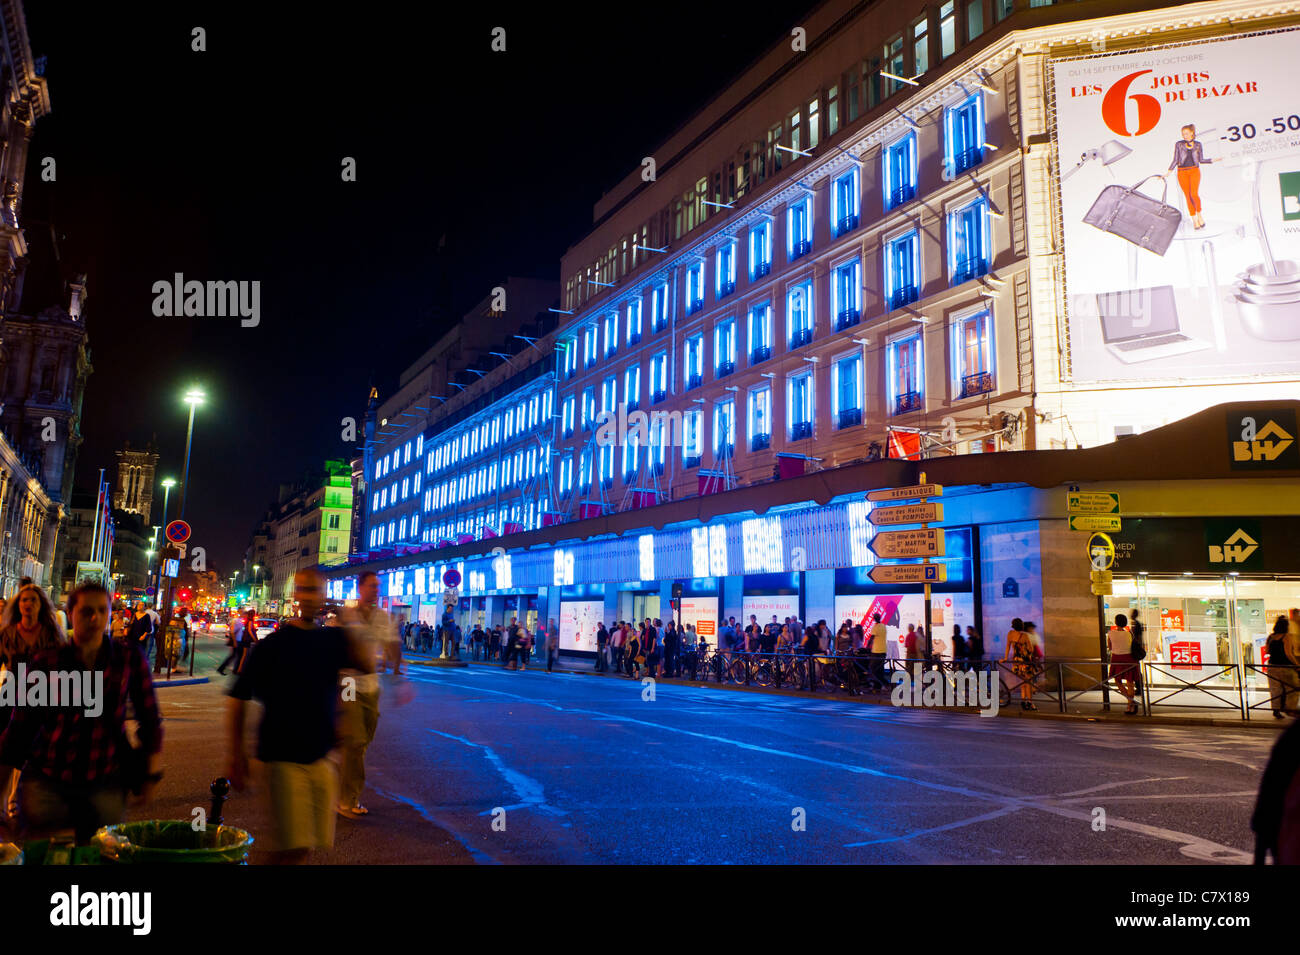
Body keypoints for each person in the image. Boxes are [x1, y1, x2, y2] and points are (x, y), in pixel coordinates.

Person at [227, 569, 374, 863]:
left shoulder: (334, 639)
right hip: (280, 758)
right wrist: (236, 756)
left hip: (321, 758)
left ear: (322, 597)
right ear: (295, 595)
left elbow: (366, 664)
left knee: (305, 846)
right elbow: (238, 698)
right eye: (304, 590)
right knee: (292, 848)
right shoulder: (272, 645)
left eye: (315, 591)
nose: (308, 597)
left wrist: (353, 620)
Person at [0, 582, 162, 845]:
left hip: (105, 780)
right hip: (47, 781)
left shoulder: (128, 659)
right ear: (71, 612)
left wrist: (151, 774)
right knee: (42, 854)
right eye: (87, 611)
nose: (95, 618)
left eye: (102, 610)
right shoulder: (47, 662)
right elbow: (20, 728)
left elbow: (150, 718)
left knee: (99, 855)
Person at [337, 570, 404, 818]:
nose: (376, 590)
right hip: (349, 684)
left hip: (371, 685)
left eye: (378, 586)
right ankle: (348, 798)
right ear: (360, 588)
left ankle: (343, 772)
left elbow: (392, 644)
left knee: (363, 741)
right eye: (372, 586)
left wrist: (399, 674)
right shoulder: (347, 616)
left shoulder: (382, 618)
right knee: (355, 741)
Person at [0, 584, 67, 820]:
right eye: (24, 600)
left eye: (33, 600)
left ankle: (14, 798)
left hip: (40, 697)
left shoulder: (51, 632)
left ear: (41, 605)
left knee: (28, 750)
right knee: (7, 750)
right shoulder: (7, 633)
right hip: (9, 695)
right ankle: (7, 798)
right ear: (18, 605)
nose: (28, 604)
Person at [1164, 123, 1215, 230]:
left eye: (1186, 133)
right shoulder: (1179, 144)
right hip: (1182, 172)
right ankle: (1194, 219)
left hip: (1194, 171)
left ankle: (1199, 215)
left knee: (1194, 194)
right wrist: (1168, 172)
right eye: (1183, 134)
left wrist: (1212, 160)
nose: (1184, 136)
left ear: (1192, 133)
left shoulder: (1198, 145)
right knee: (1188, 196)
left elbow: (1201, 160)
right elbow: (1176, 159)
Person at [1005, 617, 1040, 711]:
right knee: (1028, 682)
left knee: (1023, 682)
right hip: (1025, 661)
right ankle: (1030, 703)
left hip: (1016, 661)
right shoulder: (1025, 636)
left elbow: (1008, 646)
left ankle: (1023, 701)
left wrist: (1005, 658)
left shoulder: (1010, 634)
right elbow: (1031, 649)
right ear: (1022, 626)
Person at [1106, 613, 1138, 715]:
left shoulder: (1110, 633)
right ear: (1125, 623)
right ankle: (1130, 704)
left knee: (1118, 681)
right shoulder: (1129, 633)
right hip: (1129, 658)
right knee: (1130, 683)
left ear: (1116, 622)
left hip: (1116, 658)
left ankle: (1130, 703)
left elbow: (1110, 647)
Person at [1266, 616, 1294, 720]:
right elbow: (1288, 654)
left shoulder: (1271, 637)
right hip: (1285, 666)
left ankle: (1276, 710)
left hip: (1272, 666)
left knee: (1275, 689)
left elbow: (1267, 651)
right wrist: (1296, 665)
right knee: (1290, 688)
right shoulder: (1286, 637)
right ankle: (1290, 709)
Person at [127, 601, 155, 668]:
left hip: (141, 637)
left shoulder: (146, 615)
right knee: (132, 651)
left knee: (140, 652)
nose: (140, 606)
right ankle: (132, 666)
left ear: (145, 607)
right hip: (132, 636)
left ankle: (139, 666)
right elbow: (131, 624)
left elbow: (149, 628)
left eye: (142, 605)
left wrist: (144, 636)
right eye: (139, 604)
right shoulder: (134, 614)